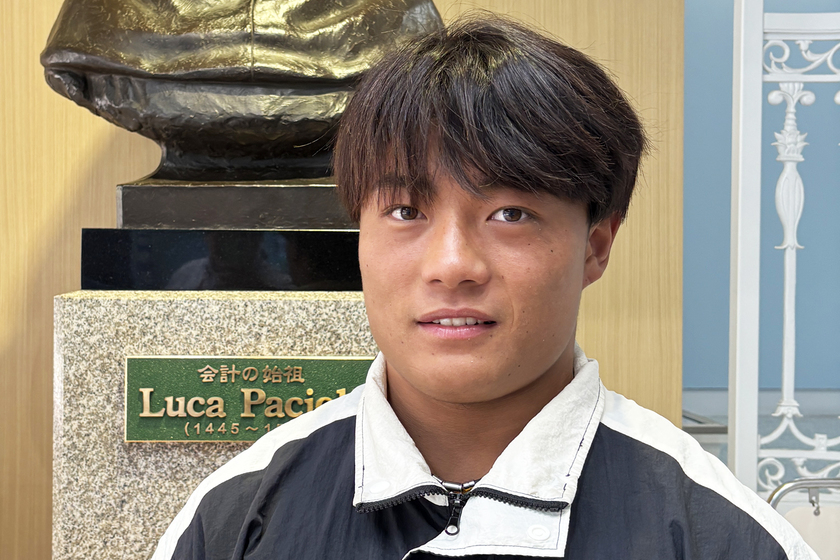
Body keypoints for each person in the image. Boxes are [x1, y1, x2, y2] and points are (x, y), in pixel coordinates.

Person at [151, 15, 817, 560]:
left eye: (510, 214)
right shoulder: (236, 517)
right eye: (406, 211)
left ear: (595, 245)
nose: (452, 265)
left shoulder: (721, 535)